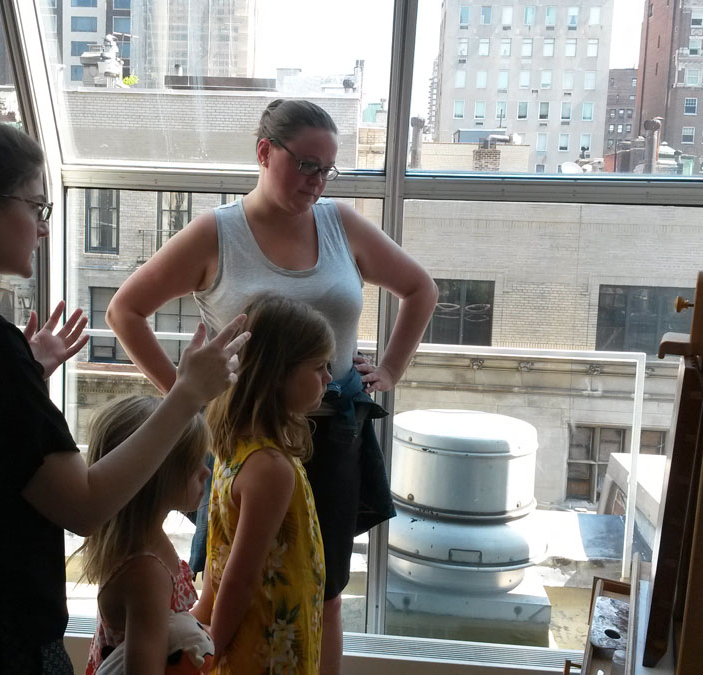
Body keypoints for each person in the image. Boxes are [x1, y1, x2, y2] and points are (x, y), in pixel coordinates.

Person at [0, 102, 248, 674]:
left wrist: (27, 376)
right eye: (36, 205)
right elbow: (84, 505)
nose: (43, 225)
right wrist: (186, 394)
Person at [106, 98, 437, 673]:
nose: (318, 180)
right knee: (224, 570)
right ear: (265, 152)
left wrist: (390, 370)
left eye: (327, 169)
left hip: (331, 433)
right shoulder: (217, 234)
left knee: (323, 587)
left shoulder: (341, 224)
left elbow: (419, 288)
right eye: (307, 164)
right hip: (242, 438)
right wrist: (192, 402)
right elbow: (124, 311)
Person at [189, 294, 332, 673]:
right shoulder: (269, 467)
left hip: (251, 636)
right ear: (277, 373)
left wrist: (202, 615)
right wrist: (211, 650)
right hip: (267, 646)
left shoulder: (233, 446)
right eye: (318, 366)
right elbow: (240, 576)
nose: (329, 378)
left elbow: (219, 554)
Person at [79, 396, 213, 675]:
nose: (206, 472)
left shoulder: (146, 539)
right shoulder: (146, 571)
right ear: (156, 475)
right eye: (194, 463)